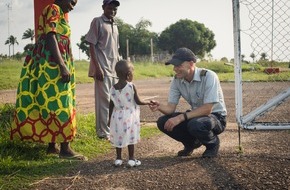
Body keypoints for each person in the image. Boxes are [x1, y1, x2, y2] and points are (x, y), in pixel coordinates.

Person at [11, 0, 87, 160]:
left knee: (49, 102)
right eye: (72, 1)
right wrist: (61, 65)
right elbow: (51, 36)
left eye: (75, 4)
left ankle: (52, 146)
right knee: (61, 103)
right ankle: (65, 149)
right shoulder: (54, 8)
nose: (72, 6)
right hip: (52, 65)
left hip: (48, 64)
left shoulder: (53, 10)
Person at [149, 47, 227, 158]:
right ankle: (191, 144)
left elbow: (207, 109)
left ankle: (212, 144)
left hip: (216, 117)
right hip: (196, 116)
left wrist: (180, 118)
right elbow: (171, 108)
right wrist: (159, 106)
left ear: (191, 64)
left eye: (179, 65)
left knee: (195, 124)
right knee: (163, 122)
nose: (175, 69)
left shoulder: (209, 76)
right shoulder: (177, 80)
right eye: (174, 66)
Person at [85, 0, 120, 139]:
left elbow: (116, 49)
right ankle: (102, 133)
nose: (112, 11)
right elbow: (91, 45)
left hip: (114, 70)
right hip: (102, 69)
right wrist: (97, 67)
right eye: (109, 8)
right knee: (103, 102)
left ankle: (112, 130)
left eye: (114, 9)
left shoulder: (115, 25)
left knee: (114, 101)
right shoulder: (97, 22)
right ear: (103, 7)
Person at [109, 60, 152, 167]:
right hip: (129, 116)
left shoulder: (113, 88)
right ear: (128, 75)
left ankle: (118, 159)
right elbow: (138, 101)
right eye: (132, 73)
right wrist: (148, 102)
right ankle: (131, 159)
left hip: (117, 116)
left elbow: (111, 104)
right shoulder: (131, 86)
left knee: (119, 136)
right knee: (130, 137)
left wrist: (109, 119)